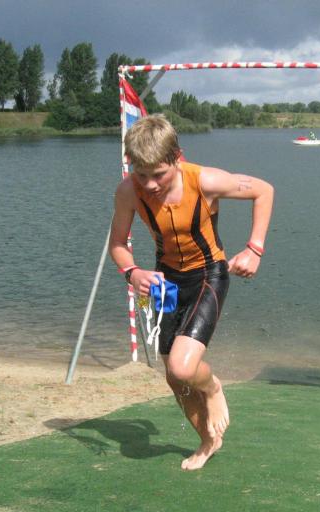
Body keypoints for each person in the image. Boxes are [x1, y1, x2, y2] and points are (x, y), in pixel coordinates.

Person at [109, 115, 274, 471]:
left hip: (207, 275)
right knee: (174, 377)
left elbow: (264, 190)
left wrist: (254, 248)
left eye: (158, 174)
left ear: (177, 157)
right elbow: (118, 244)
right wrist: (133, 273)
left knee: (183, 368)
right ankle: (208, 440)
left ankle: (213, 388)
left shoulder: (205, 181)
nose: (150, 184)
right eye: (141, 174)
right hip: (165, 281)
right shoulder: (127, 192)